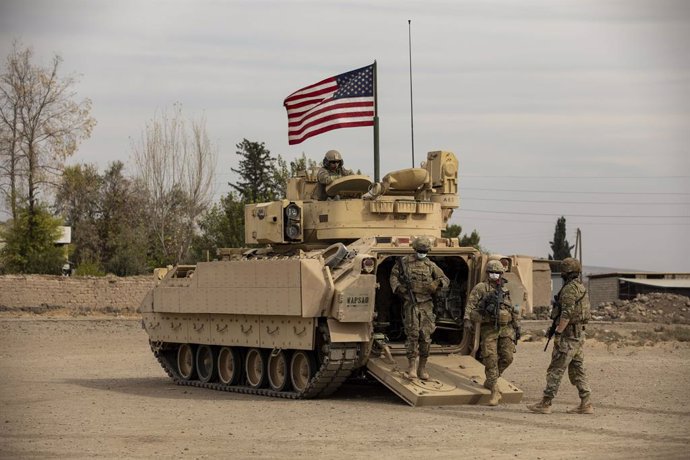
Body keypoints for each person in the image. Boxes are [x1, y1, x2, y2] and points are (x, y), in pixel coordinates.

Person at [528, 257, 593, 414]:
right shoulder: (580, 287)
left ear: (566, 273)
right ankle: (586, 403)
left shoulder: (570, 289)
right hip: (578, 336)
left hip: (569, 335)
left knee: (556, 369)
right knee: (578, 369)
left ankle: (546, 403)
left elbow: (567, 313)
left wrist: (558, 332)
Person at [389, 236, 449, 380]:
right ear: (414, 249)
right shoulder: (404, 263)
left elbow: (445, 280)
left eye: (424, 251)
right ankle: (412, 367)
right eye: (419, 251)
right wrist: (399, 288)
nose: (422, 253)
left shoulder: (431, 265)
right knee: (412, 335)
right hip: (411, 302)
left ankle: (422, 367)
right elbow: (393, 277)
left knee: (426, 337)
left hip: (426, 304)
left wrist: (436, 284)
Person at [464, 259, 520, 406]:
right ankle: (495, 390)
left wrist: (516, 325)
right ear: (488, 273)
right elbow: (470, 306)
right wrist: (468, 320)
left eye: (497, 272)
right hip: (489, 328)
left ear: (502, 273)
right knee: (490, 358)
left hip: (506, 329)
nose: (494, 275)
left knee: (507, 357)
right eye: (492, 272)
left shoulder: (506, 289)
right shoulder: (481, 288)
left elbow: (513, 308)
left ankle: (490, 380)